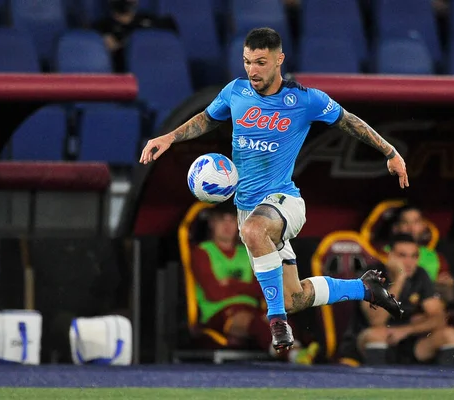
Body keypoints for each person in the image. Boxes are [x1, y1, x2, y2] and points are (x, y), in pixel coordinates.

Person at [140, 27, 408, 352]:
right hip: (248, 209)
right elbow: (207, 119)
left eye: (260, 62)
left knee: (256, 233)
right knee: (294, 297)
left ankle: (277, 321)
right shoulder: (235, 92)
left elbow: (349, 121)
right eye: (247, 62)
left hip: (284, 201)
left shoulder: (305, 99)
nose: (252, 70)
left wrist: (390, 152)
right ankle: (364, 289)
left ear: (279, 60)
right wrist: (170, 136)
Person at [191, 203, 318, 363]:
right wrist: (245, 288)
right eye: (222, 220)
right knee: (253, 321)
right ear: (212, 223)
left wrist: (229, 283)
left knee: (278, 316)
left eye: (232, 220)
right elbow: (213, 293)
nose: (227, 225)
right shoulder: (203, 252)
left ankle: (299, 349)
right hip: (218, 313)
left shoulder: (247, 252)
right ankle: (292, 354)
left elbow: (261, 289)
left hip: (252, 308)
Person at [338, 234, 454, 365]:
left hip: (407, 338)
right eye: (402, 255)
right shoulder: (372, 275)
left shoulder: (420, 275)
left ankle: (447, 389)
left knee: (450, 334)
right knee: (376, 334)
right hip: (371, 339)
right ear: (389, 256)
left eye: (414, 256)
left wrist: (405, 330)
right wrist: (400, 279)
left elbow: (439, 318)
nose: (409, 262)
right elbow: (376, 320)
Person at [390, 205, 454, 304]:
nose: (411, 228)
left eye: (416, 222)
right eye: (405, 222)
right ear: (395, 228)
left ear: (424, 226)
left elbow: (450, 297)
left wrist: (447, 285)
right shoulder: (381, 254)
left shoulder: (437, 257)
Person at [93, 0, 177, 72]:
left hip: (153, 72)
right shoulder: (101, 28)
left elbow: (171, 33)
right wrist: (102, 47)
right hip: (124, 80)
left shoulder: (149, 21)